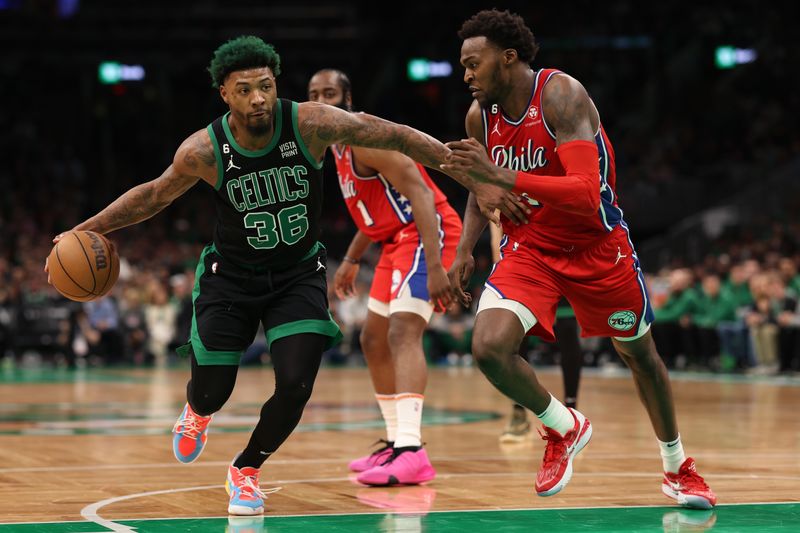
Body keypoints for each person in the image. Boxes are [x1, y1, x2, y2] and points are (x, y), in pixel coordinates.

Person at [45, 36, 461, 516]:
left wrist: (460, 167)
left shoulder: (310, 122)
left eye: (265, 86)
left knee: (296, 384)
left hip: (298, 274)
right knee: (213, 390)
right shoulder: (203, 149)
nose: (258, 98)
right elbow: (152, 196)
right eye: (244, 89)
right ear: (225, 92)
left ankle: (247, 469)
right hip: (232, 278)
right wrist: (82, 229)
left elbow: (393, 135)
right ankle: (197, 412)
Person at [442, 10, 716, 509]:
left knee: (639, 356)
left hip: (597, 247)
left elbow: (586, 194)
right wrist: (465, 246)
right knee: (488, 347)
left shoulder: (560, 96)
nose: (466, 75)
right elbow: (479, 182)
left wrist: (504, 179)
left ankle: (677, 467)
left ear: (507, 58)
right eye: (463, 66)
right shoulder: (479, 117)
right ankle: (564, 427)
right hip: (533, 250)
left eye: (472, 64)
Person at [307, 69, 462, 485]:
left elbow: (424, 195)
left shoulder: (365, 139)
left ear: (347, 99)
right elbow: (375, 209)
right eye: (314, 94)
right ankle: (396, 442)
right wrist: (353, 258)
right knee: (371, 339)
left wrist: (437, 267)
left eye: (331, 94)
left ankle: (412, 451)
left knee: (402, 333)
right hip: (395, 240)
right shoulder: (335, 147)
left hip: (427, 232)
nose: (322, 100)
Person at [489, 223, 584, 443]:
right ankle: (518, 412)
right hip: (523, 262)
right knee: (517, 336)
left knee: (568, 330)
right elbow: (496, 227)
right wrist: (502, 265)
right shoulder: (505, 191)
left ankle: (572, 413)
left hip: (562, 258)